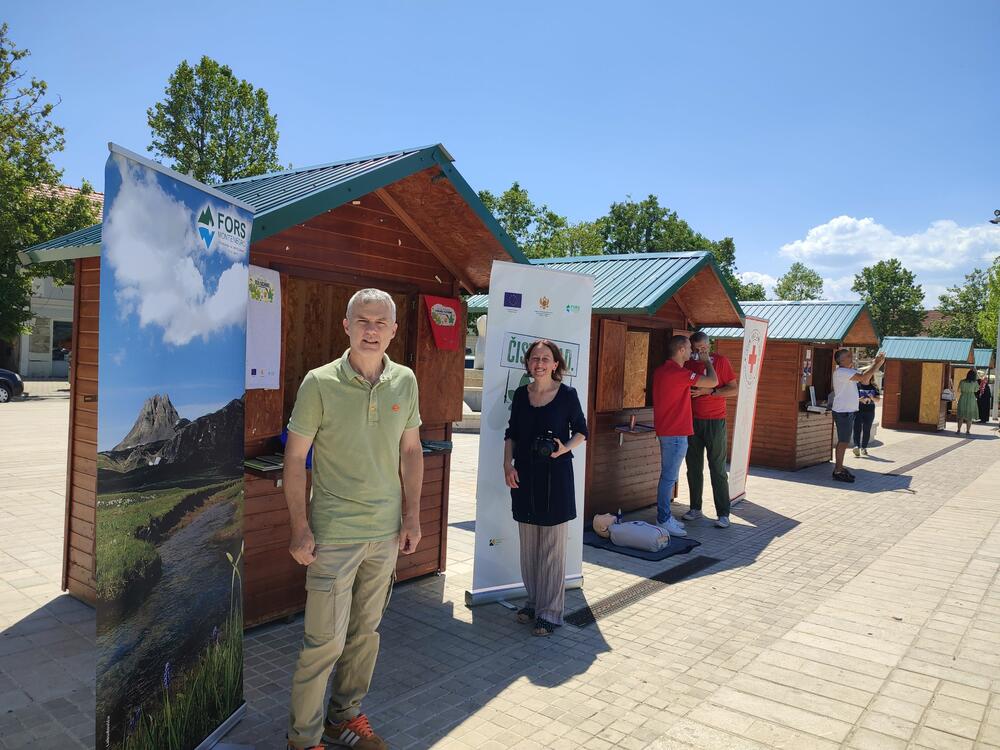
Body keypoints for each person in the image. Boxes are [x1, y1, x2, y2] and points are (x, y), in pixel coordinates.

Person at [284, 288, 424, 750]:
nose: (371, 330)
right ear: (346, 326)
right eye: (362, 321)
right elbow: (294, 458)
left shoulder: (405, 380)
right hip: (333, 537)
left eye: (380, 323)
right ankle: (302, 741)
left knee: (365, 636)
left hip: (384, 536)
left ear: (393, 331)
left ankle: (341, 718)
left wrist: (412, 517)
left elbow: (410, 450)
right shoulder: (319, 382)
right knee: (323, 643)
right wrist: (300, 528)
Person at [504, 340, 588, 637]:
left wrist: (564, 448)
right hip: (524, 475)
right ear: (528, 364)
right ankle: (534, 601)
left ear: (556, 365)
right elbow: (511, 434)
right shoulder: (520, 395)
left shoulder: (567, 395)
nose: (539, 363)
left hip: (556, 477)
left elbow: (582, 431)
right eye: (535, 358)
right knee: (529, 547)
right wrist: (507, 465)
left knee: (551, 548)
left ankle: (550, 613)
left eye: (546, 358)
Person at [653, 335, 718, 536]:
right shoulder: (679, 373)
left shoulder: (662, 371)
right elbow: (713, 381)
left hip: (669, 432)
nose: (692, 351)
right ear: (681, 350)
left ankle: (665, 516)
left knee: (668, 477)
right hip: (675, 433)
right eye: (690, 348)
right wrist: (707, 361)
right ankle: (663, 519)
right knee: (669, 478)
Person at [682, 331, 737, 529]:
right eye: (695, 350)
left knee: (718, 468)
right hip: (692, 421)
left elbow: (734, 389)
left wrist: (710, 392)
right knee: (693, 467)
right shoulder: (687, 362)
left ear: (709, 346)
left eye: (703, 349)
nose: (698, 353)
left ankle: (723, 513)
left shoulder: (721, 361)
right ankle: (695, 508)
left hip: (715, 421)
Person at [830, 348, 885, 483]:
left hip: (848, 412)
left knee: (844, 441)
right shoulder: (841, 372)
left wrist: (877, 364)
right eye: (848, 356)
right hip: (843, 412)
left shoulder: (848, 371)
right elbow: (864, 377)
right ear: (841, 360)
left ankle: (840, 468)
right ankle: (838, 470)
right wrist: (875, 364)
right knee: (843, 442)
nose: (852, 357)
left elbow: (865, 380)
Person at [852, 382, 880, 456]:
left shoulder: (874, 386)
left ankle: (864, 448)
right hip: (858, 410)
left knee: (867, 430)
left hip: (870, 411)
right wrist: (859, 399)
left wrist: (872, 398)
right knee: (857, 429)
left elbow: (878, 400)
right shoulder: (856, 385)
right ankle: (856, 447)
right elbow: (851, 398)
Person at [956, 368, 978, 435]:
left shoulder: (962, 381)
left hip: (963, 397)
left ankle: (958, 430)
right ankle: (968, 431)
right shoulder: (975, 383)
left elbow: (959, 390)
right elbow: (976, 390)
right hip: (971, 399)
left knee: (961, 415)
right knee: (969, 417)